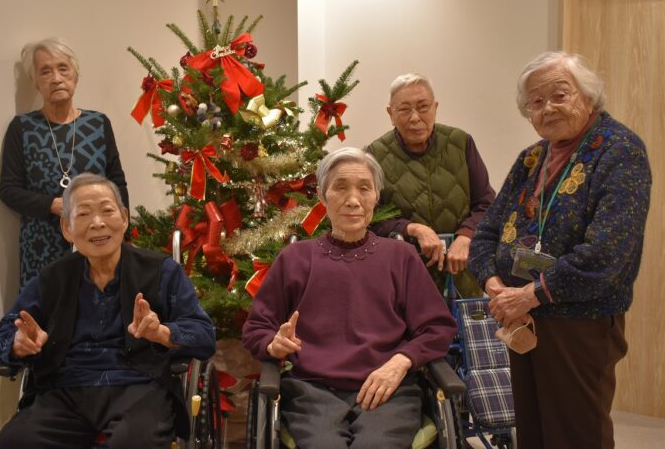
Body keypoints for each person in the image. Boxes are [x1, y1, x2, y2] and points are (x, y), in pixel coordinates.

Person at [468, 51, 652, 449]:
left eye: (559, 95)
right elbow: (485, 234)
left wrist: (529, 294)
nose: (548, 108)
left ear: (588, 96)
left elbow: (606, 252)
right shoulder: (532, 158)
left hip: (579, 323)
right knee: (533, 433)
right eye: (536, 101)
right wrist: (495, 286)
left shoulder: (619, 151)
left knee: (575, 434)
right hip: (521, 320)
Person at [242, 147, 456, 448]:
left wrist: (401, 361)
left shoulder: (401, 257)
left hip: (388, 388)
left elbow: (437, 328)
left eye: (364, 189)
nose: (353, 200)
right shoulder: (295, 259)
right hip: (311, 391)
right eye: (340, 188)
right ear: (322, 195)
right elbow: (256, 328)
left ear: (376, 197)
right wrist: (273, 344)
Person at [0, 173, 215, 448]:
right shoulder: (52, 278)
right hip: (66, 388)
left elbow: (204, 334)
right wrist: (18, 343)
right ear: (66, 227)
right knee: (16, 440)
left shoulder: (162, 271)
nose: (97, 223)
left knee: (135, 441)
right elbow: (4, 333)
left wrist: (162, 333)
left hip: (139, 385)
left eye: (107, 211)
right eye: (84, 214)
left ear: (124, 218)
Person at [0, 37, 128, 289]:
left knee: (101, 302)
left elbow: (117, 183)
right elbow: (8, 190)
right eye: (45, 71)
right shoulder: (22, 128)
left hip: (97, 238)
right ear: (35, 82)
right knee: (46, 309)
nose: (56, 78)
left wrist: (122, 232)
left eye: (63, 69)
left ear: (75, 76)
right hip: (42, 245)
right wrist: (54, 205)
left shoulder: (98, 124)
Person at [366, 73, 495, 298]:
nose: (415, 117)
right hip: (405, 276)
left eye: (423, 107)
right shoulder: (375, 154)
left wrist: (466, 236)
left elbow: (486, 203)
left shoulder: (460, 142)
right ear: (390, 114)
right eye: (404, 109)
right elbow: (370, 217)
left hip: (460, 270)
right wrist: (412, 229)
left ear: (435, 108)